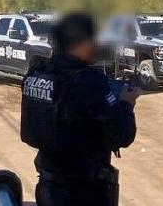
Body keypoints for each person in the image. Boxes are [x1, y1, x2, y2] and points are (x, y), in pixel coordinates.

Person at [20, 12, 138, 206]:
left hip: (48, 185)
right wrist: (126, 103)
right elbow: (122, 135)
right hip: (82, 191)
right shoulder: (89, 80)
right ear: (82, 43)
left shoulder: (37, 72)